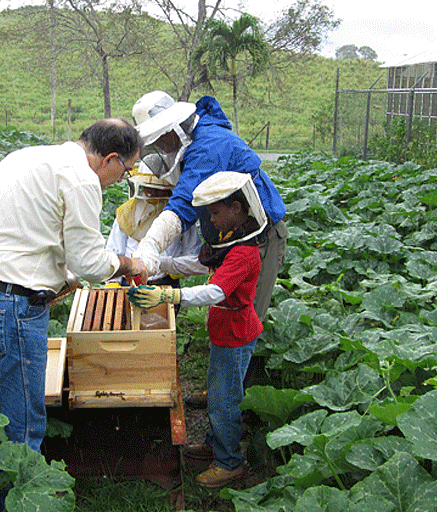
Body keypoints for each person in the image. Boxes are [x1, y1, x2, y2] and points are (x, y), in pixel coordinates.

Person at [0, 118, 146, 455]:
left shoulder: (25, 158)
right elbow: (90, 263)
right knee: (21, 429)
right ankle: (22, 497)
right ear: (110, 159)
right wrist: (128, 263)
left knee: (0, 412)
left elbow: (21, 231)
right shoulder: (82, 180)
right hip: (9, 310)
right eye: (126, 170)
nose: (121, 179)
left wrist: (61, 278)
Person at [130, 91, 288, 406]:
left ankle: (235, 406)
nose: (162, 148)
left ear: (176, 128)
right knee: (228, 319)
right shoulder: (199, 141)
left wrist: (149, 251)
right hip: (229, 237)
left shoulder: (209, 147)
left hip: (260, 240)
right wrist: (162, 264)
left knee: (244, 321)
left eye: (162, 140)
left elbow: (183, 205)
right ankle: (222, 392)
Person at [128, 171, 265, 489]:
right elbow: (201, 263)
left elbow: (214, 292)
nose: (212, 219)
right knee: (221, 389)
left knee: (223, 399)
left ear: (236, 208)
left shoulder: (245, 252)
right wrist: (162, 264)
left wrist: (168, 294)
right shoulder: (231, 240)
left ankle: (229, 462)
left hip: (235, 333)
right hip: (227, 329)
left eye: (216, 212)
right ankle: (212, 443)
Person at [105, 161, 208, 289]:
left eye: (158, 189)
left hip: (165, 282)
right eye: (150, 187)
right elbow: (114, 250)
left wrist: (174, 267)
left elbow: (193, 253)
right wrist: (112, 282)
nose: (153, 192)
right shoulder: (127, 213)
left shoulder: (179, 213)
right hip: (130, 282)